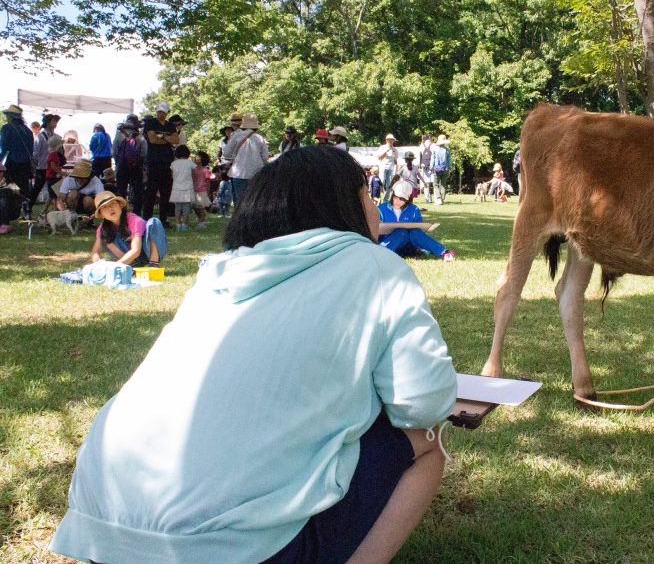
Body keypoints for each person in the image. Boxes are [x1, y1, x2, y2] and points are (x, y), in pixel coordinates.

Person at [52, 146, 456, 563]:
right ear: (350, 202)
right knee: (426, 442)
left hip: (102, 535)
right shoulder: (374, 265)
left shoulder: (220, 269)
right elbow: (424, 404)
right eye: (369, 196)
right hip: (229, 549)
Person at [378, 180, 455, 261]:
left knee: (414, 232)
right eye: (395, 197)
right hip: (389, 242)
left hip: (410, 244)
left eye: (402, 199)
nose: (397, 201)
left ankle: (444, 252)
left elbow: (419, 232)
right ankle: (379, 253)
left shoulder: (414, 209)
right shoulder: (381, 208)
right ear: (392, 195)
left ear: (407, 199)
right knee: (401, 232)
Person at [88, 190, 165, 267]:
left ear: (120, 205)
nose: (110, 208)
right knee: (105, 235)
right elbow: (95, 252)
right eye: (104, 207)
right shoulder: (102, 228)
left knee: (154, 222)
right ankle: (130, 265)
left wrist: (116, 266)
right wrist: (97, 262)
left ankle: (153, 264)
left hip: (145, 252)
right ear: (101, 215)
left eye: (112, 203)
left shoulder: (135, 220)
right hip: (126, 258)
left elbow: (136, 250)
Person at [143, 102, 180, 225]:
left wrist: (162, 137)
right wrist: (167, 138)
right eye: (159, 112)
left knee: (166, 192)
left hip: (167, 162)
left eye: (163, 112)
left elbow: (175, 140)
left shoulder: (170, 125)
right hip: (154, 161)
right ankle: (147, 217)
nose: (161, 114)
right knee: (151, 191)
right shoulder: (150, 123)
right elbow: (152, 139)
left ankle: (163, 219)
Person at [222, 114, 269, 206]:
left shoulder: (236, 136)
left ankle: (240, 219)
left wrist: (235, 156)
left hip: (239, 173)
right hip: (256, 173)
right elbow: (265, 157)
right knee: (255, 201)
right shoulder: (260, 138)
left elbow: (226, 153)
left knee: (240, 202)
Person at [0, 104, 34, 218]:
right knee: (24, 188)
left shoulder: (7, 128)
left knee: (9, 188)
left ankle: (8, 214)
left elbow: (4, 148)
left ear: (10, 116)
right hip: (25, 164)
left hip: (12, 163)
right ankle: (27, 211)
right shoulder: (28, 131)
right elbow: (31, 149)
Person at [29, 113, 61, 214]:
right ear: (47, 122)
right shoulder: (40, 136)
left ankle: (54, 211)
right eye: (53, 121)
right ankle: (28, 208)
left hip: (52, 168)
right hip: (42, 167)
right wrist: (33, 167)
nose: (55, 123)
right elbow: (35, 152)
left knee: (55, 191)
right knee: (37, 189)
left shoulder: (56, 136)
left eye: (56, 121)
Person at [113, 115, 145, 213]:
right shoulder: (139, 135)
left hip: (122, 167)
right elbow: (144, 153)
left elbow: (114, 151)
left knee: (121, 191)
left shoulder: (119, 134)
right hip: (137, 167)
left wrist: (118, 163)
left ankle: (121, 214)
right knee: (137, 192)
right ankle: (136, 214)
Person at [170, 144, 196, 231]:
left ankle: (178, 224)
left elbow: (172, 175)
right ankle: (184, 224)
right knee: (186, 208)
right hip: (187, 187)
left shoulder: (174, 163)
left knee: (177, 207)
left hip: (176, 187)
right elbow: (194, 174)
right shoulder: (190, 163)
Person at [0, 162, 25, 234]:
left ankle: (4, 224)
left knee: (3, 200)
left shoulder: (9, 183)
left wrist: (13, 191)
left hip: (10, 207)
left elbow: (19, 192)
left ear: (2, 173)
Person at [43, 135, 66, 212]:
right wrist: (61, 172)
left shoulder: (54, 154)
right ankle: (45, 209)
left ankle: (55, 209)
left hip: (54, 177)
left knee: (54, 195)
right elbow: (53, 166)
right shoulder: (53, 155)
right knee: (52, 195)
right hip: (52, 177)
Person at [192, 151, 213, 229]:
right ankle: (199, 219)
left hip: (202, 191)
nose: (195, 157)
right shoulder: (193, 169)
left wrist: (208, 191)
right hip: (194, 190)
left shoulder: (205, 170)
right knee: (194, 206)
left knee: (201, 207)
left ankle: (201, 222)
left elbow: (208, 182)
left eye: (197, 156)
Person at [429, 134, 452, 205]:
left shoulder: (434, 149)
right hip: (445, 169)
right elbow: (449, 161)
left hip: (436, 169)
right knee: (443, 185)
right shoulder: (447, 150)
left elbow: (432, 159)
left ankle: (438, 199)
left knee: (435, 184)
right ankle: (442, 199)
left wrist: (431, 168)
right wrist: (449, 169)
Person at [376, 133, 399, 197]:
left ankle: (386, 199)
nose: (391, 141)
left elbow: (395, 161)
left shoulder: (395, 150)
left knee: (389, 185)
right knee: (382, 182)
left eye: (392, 140)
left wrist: (397, 169)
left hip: (391, 168)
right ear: (387, 140)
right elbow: (379, 157)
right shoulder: (382, 147)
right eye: (390, 140)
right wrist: (385, 152)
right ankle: (378, 197)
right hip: (383, 167)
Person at [419, 134, 434, 204]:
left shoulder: (422, 146)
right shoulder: (433, 145)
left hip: (425, 167)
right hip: (431, 167)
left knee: (426, 184)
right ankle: (432, 199)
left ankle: (428, 199)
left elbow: (419, 156)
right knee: (433, 184)